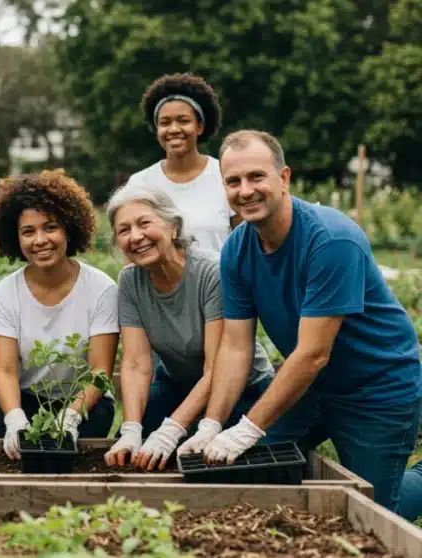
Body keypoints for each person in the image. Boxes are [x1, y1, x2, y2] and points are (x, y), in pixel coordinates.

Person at [189, 129, 422, 513]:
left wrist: (247, 428)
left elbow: (313, 353)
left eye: (256, 176)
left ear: (284, 178)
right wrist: (212, 424)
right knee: (249, 467)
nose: (245, 191)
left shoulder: (330, 240)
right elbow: (235, 346)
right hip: (310, 387)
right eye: (233, 181)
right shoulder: (237, 249)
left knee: (373, 513)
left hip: (376, 389)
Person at [101, 183, 275, 470]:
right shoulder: (130, 281)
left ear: (173, 227)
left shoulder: (211, 272)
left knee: (203, 459)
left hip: (241, 389)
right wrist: (131, 428)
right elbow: (135, 363)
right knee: (132, 453)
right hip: (177, 384)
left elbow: (216, 367)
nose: (136, 236)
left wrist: (173, 428)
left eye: (144, 223)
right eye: (124, 230)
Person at [0, 169, 119, 460]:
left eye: (50, 227)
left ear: (69, 228)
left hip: (84, 402)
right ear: (15, 238)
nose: (40, 240)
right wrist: (15, 418)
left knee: (78, 460)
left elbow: (99, 372)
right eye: (28, 232)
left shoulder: (101, 288)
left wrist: (71, 417)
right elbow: (5, 371)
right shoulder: (5, 293)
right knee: (14, 459)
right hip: (24, 399)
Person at [126, 72, 236, 254]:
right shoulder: (139, 184)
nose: (174, 129)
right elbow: (131, 251)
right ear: (157, 129)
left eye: (183, 121)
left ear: (199, 127)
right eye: (165, 122)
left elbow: (245, 243)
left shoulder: (226, 175)